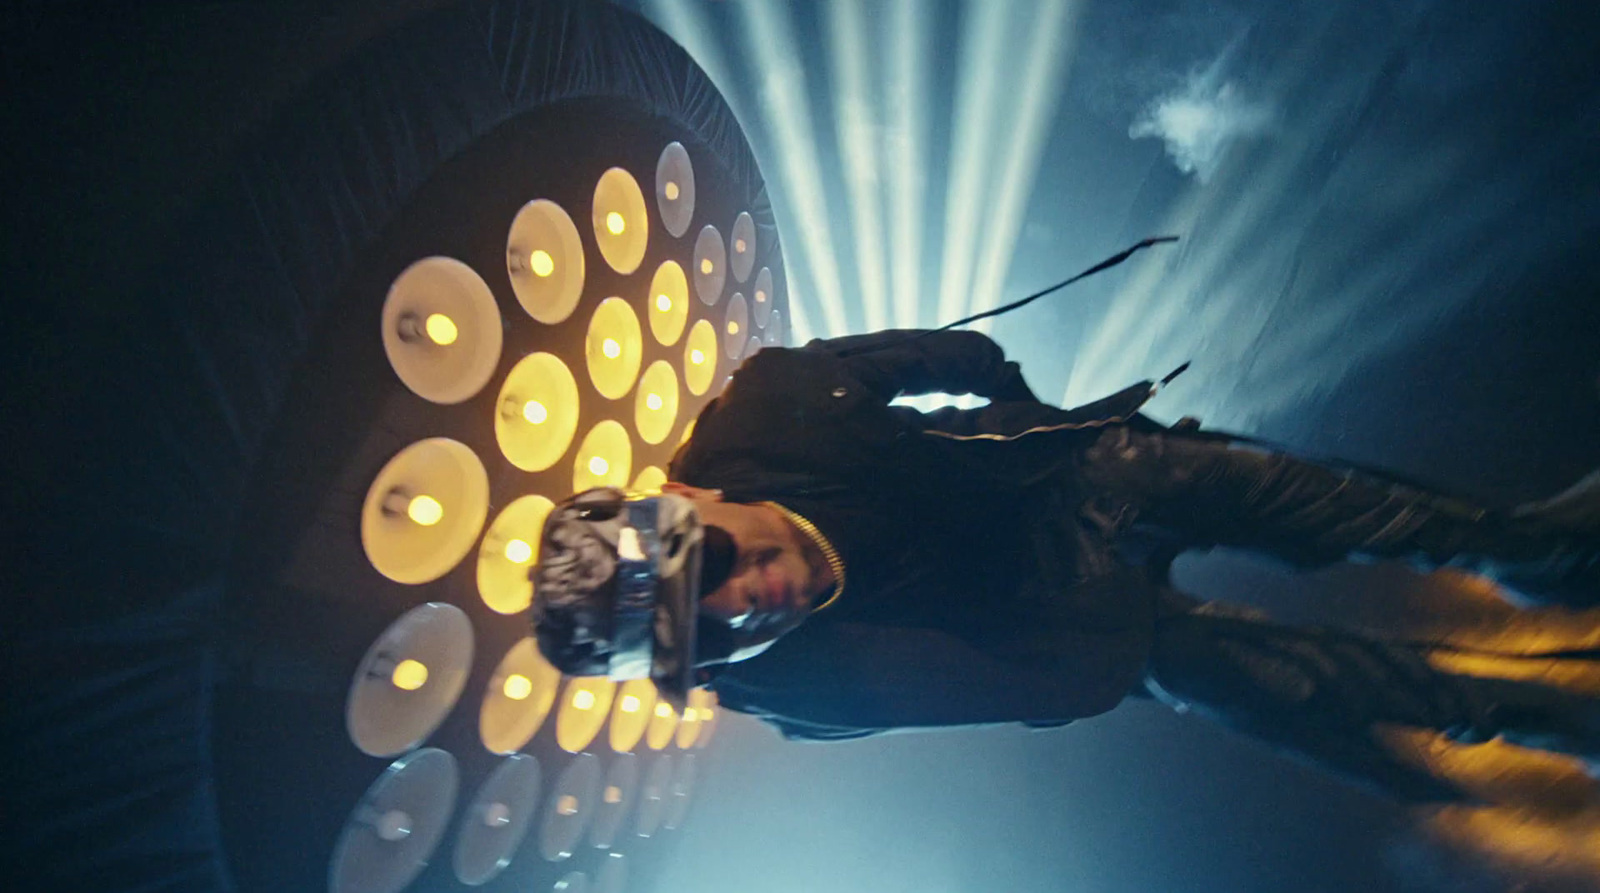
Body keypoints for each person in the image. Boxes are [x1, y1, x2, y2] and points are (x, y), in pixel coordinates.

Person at [535, 328, 1600, 800]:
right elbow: (1050, 683)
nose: (739, 597)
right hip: (1057, 625)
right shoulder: (799, 681)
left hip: (1070, 482)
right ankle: (1545, 717)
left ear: (686, 494)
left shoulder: (771, 409)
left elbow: (941, 355)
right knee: (1276, 675)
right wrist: (1119, 609)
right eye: (703, 627)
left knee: (1319, 498)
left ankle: (1534, 548)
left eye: (706, 558)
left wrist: (1028, 419)